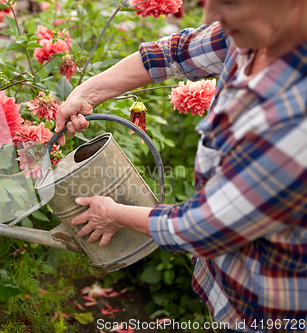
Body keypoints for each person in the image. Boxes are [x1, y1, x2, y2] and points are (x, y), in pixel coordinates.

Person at [54, 0, 307, 332]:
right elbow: (174, 53)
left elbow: (205, 226)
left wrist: (113, 213)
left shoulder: (295, 116)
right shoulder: (259, 34)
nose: (209, 16)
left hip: (273, 309)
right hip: (233, 285)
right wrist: (87, 92)